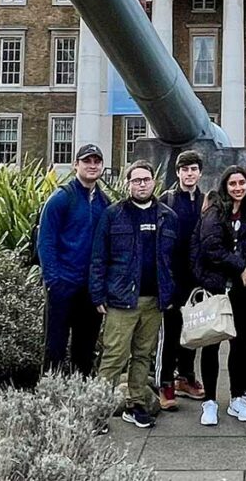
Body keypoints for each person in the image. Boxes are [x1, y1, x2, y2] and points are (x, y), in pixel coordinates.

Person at [90, 159, 178, 429]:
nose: (141, 184)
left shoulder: (167, 216)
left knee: (143, 355)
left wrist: (170, 290)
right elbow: (98, 257)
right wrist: (97, 295)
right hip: (121, 300)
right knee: (114, 357)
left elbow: (172, 260)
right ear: (128, 184)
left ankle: (136, 404)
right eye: (136, 180)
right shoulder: (113, 214)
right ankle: (97, 411)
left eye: (146, 179)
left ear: (154, 182)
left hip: (154, 301)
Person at [191, 165, 246, 426]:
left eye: (241, 183)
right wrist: (240, 266)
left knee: (241, 344)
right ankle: (209, 401)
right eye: (233, 184)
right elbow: (212, 249)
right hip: (216, 286)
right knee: (212, 343)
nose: (237, 188)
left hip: (243, 291)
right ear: (225, 186)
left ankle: (238, 397)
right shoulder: (214, 212)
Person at [37, 143, 112, 376]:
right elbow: (45, 242)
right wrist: (53, 281)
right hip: (63, 286)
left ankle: (80, 404)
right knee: (55, 349)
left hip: (90, 290)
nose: (92, 166)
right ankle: (49, 399)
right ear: (75, 165)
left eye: (96, 161)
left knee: (84, 352)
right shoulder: (61, 198)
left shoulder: (104, 203)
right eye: (87, 161)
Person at [156, 149, 206, 411]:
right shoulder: (166, 200)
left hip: (196, 276)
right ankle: (165, 381)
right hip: (172, 276)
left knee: (194, 330)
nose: (189, 174)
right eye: (185, 169)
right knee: (172, 331)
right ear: (178, 173)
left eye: (194, 169)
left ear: (200, 172)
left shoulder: (206, 201)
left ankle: (186, 376)